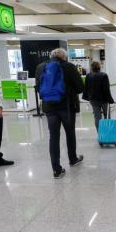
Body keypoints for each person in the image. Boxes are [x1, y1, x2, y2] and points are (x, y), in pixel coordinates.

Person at [35, 48, 84, 179]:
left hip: (49, 108)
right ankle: (73, 159)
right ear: (64, 57)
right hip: (67, 107)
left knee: (53, 137)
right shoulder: (69, 66)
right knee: (70, 133)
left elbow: (38, 87)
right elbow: (80, 88)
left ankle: (56, 169)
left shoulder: (41, 67)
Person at [83, 61, 115, 131]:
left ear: (92, 67)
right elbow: (106, 89)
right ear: (99, 67)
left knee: (97, 117)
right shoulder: (104, 75)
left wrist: (87, 97)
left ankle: (100, 134)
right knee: (107, 116)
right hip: (103, 99)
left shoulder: (88, 75)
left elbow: (86, 87)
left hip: (93, 100)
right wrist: (110, 100)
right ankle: (107, 132)